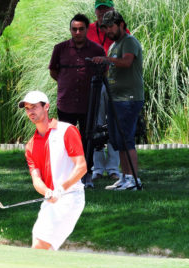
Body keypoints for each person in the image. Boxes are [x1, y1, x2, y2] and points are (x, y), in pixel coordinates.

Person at [19, 90, 87, 250]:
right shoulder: (30, 146)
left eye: (34, 107)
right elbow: (36, 180)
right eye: (27, 108)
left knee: (41, 244)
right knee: (39, 241)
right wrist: (47, 192)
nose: (30, 112)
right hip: (50, 199)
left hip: (71, 197)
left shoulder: (66, 131)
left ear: (46, 107)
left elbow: (81, 167)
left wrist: (61, 189)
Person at [49, 13, 105, 188]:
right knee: (66, 139)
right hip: (66, 102)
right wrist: (66, 82)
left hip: (89, 102)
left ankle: (86, 174)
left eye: (81, 29)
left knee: (88, 138)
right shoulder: (60, 48)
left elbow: (104, 72)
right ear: (70, 30)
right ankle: (66, 176)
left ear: (87, 29)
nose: (78, 32)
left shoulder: (97, 50)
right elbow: (53, 70)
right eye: (74, 29)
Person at [92, 11, 143, 190]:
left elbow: (127, 62)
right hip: (116, 99)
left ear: (121, 24)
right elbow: (112, 69)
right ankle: (125, 177)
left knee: (127, 139)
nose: (108, 30)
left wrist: (105, 59)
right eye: (105, 27)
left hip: (128, 99)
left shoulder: (129, 41)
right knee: (118, 140)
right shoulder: (114, 44)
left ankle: (134, 180)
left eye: (111, 26)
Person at [87, 0, 123, 181]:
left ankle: (113, 167)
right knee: (96, 124)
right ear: (95, 12)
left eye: (106, 9)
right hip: (95, 82)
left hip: (115, 82)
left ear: (113, 9)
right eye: (99, 9)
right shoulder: (89, 30)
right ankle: (97, 168)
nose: (102, 12)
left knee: (115, 123)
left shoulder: (119, 29)